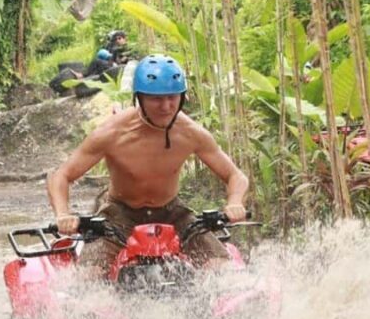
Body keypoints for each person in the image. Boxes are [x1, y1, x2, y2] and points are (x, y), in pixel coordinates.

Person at [47, 54, 249, 273]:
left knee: (224, 270)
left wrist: (235, 202)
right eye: (156, 99)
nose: (166, 106)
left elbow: (235, 176)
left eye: (172, 97)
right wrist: (62, 214)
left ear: (182, 97)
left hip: (174, 214)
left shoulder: (191, 134)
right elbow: (62, 176)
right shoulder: (111, 133)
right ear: (139, 98)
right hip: (118, 215)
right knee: (89, 275)